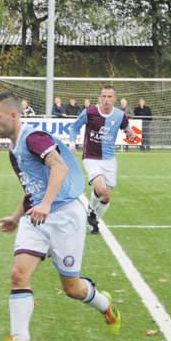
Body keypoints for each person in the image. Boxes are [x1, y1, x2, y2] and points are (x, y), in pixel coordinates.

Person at [0, 92, 121, 341]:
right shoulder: (13, 152)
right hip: (37, 217)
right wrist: (15, 218)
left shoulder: (35, 138)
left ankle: (105, 305)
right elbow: (32, 190)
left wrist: (47, 204)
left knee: (72, 289)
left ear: (13, 115)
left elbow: (59, 168)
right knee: (18, 275)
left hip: (65, 216)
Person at [68, 85, 138, 234]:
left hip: (109, 159)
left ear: (114, 99)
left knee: (106, 195)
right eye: (104, 96)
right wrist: (72, 143)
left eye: (109, 97)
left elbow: (126, 127)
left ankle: (93, 217)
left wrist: (130, 134)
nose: (106, 99)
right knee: (101, 189)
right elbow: (74, 128)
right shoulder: (90, 112)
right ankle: (92, 214)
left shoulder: (120, 115)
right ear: (100, 98)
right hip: (91, 157)